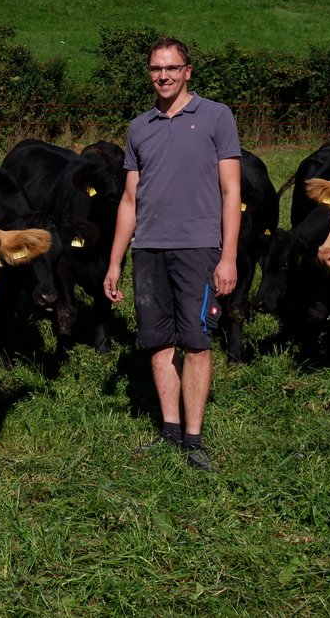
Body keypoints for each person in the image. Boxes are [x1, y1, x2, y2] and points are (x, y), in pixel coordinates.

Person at [103, 38, 241, 472]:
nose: (162, 76)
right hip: (148, 249)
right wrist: (115, 261)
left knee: (197, 343)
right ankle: (169, 431)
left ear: (187, 72)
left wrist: (228, 257)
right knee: (158, 342)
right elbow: (130, 200)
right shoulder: (138, 126)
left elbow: (231, 190)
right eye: (155, 69)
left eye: (171, 68)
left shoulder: (217, 117)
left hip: (199, 248)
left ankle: (194, 440)